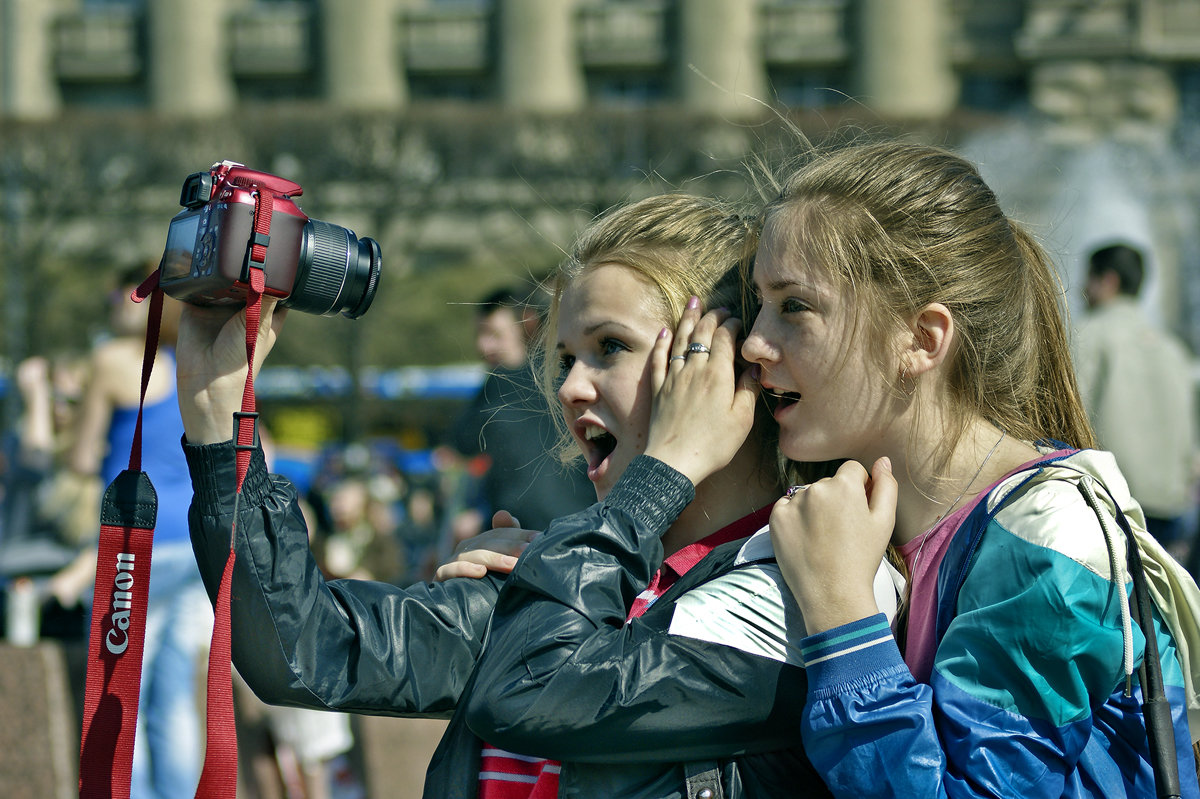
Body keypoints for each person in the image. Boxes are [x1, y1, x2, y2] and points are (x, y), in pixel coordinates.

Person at [175, 193, 898, 798]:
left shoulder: (811, 583)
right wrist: (216, 418)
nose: (569, 387)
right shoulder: (578, 569)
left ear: (722, 364)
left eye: (610, 347)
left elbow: (543, 690)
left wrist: (657, 477)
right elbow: (302, 648)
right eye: (564, 358)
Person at [738, 140, 1200, 797]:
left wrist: (842, 622)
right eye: (757, 303)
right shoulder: (879, 521)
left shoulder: (1048, 542)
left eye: (794, 306)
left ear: (921, 340)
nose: (755, 342)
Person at [62, 263, 215, 799]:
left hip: (130, 540)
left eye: (121, 293)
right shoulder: (194, 361)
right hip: (192, 543)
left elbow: (82, 460)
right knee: (175, 696)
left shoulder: (112, 362)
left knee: (119, 688)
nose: (112, 302)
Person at [1072, 242, 1198, 554]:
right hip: (1169, 509)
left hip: (1110, 507)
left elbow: (1069, 413)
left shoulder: (1088, 335)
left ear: (1108, 281)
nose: (1081, 290)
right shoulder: (1174, 349)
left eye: (1088, 279)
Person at [451, 285, 594, 532]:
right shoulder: (568, 375)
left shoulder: (496, 385)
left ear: (527, 325)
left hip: (523, 535)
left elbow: (460, 443)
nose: (484, 347)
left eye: (494, 334)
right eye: (480, 335)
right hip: (584, 523)